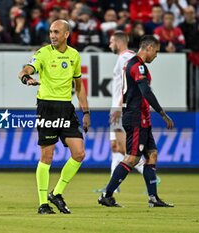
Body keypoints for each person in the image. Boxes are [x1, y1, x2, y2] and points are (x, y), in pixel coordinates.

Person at [18, 19, 90, 214]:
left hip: (66, 109)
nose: (52, 35)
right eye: (51, 31)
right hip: (47, 107)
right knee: (47, 156)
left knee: (79, 153)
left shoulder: (74, 55)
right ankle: (43, 204)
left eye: (57, 32)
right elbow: (26, 69)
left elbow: (79, 87)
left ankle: (56, 193)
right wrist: (27, 77)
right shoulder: (43, 53)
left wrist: (86, 112)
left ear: (66, 34)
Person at [98, 35, 174, 208]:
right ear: (148, 48)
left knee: (152, 154)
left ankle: (153, 198)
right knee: (132, 158)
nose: (156, 55)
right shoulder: (137, 66)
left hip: (142, 117)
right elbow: (146, 91)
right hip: (135, 117)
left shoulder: (135, 64)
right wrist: (162, 113)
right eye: (156, 51)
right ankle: (107, 195)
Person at [94, 31, 147, 193]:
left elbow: (129, 85)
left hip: (121, 108)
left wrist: (119, 105)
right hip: (117, 107)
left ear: (119, 42)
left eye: (111, 42)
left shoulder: (126, 58)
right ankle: (113, 187)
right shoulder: (124, 58)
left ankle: (149, 175)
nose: (109, 45)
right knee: (115, 146)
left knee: (126, 148)